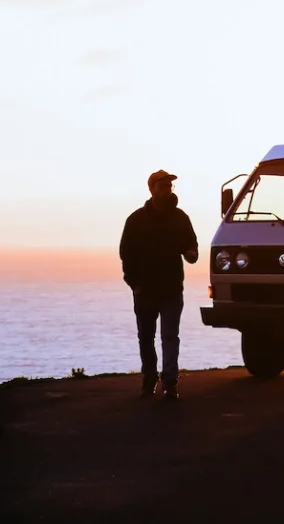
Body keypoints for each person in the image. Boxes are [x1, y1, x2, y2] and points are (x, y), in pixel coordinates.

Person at [119, 169, 199, 400]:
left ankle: (170, 383)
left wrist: (191, 253)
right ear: (151, 189)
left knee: (169, 336)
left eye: (169, 186)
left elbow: (191, 245)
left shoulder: (180, 217)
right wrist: (134, 284)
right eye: (162, 186)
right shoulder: (136, 220)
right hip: (145, 290)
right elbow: (126, 254)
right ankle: (149, 379)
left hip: (172, 289)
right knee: (146, 336)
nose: (167, 190)